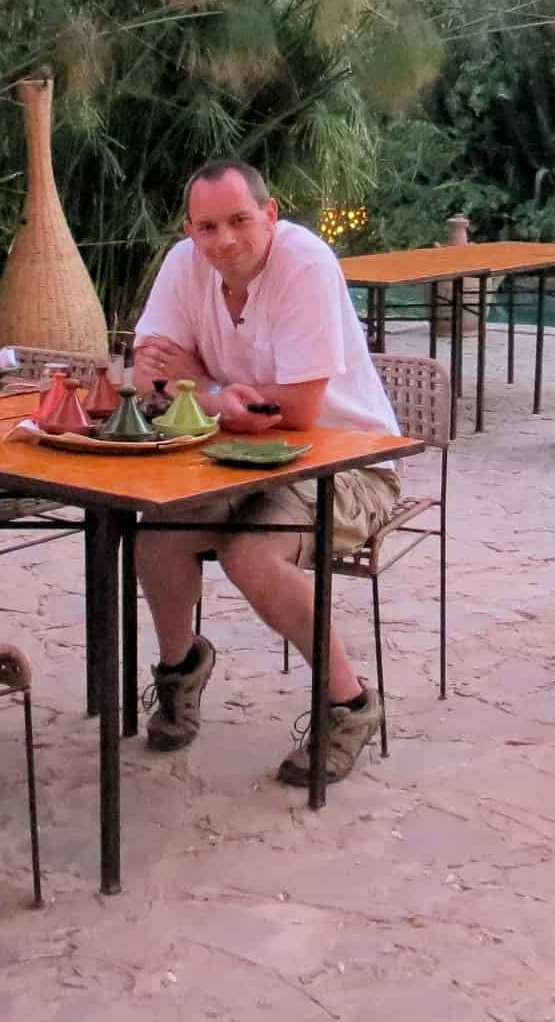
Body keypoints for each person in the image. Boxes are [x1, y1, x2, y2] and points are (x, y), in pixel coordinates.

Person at [130, 159, 401, 785]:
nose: (223, 240)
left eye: (239, 221)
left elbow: (301, 411)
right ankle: (181, 670)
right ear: (190, 229)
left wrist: (200, 382)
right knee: (155, 533)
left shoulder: (304, 264)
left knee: (249, 555)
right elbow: (145, 375)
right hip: (238, 456)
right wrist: (218, 396)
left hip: (351, 461)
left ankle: (350, 705)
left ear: (270, 215)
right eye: (207, 227)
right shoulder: (182, 264)